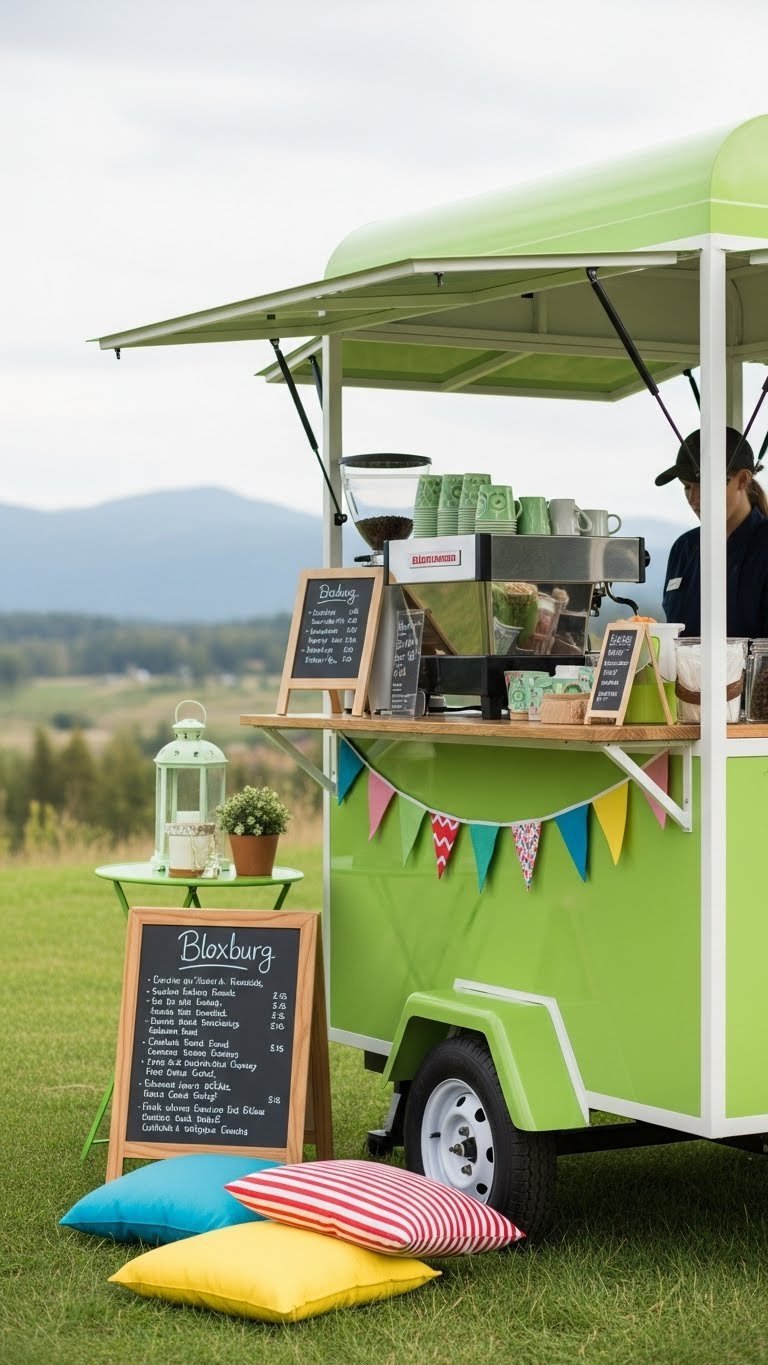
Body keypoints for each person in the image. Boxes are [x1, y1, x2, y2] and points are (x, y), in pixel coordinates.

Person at [656, 426, 768, 637]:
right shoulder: (684, 548)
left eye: (703, 485)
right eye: (687, 487)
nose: (693, 499)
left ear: (743, 480)